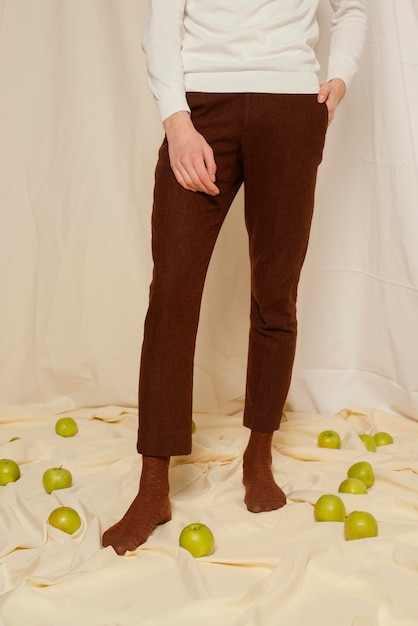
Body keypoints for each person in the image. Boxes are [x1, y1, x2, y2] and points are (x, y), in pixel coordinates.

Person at [102, 0, 367, 555]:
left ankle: (259, 456)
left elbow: (353, 10)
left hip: (292, 109)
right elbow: (162, 21)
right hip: (202, 109)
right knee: (171, 292)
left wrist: (337, 81)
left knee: (276, 293)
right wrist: (176, 118)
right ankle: (154, 484)